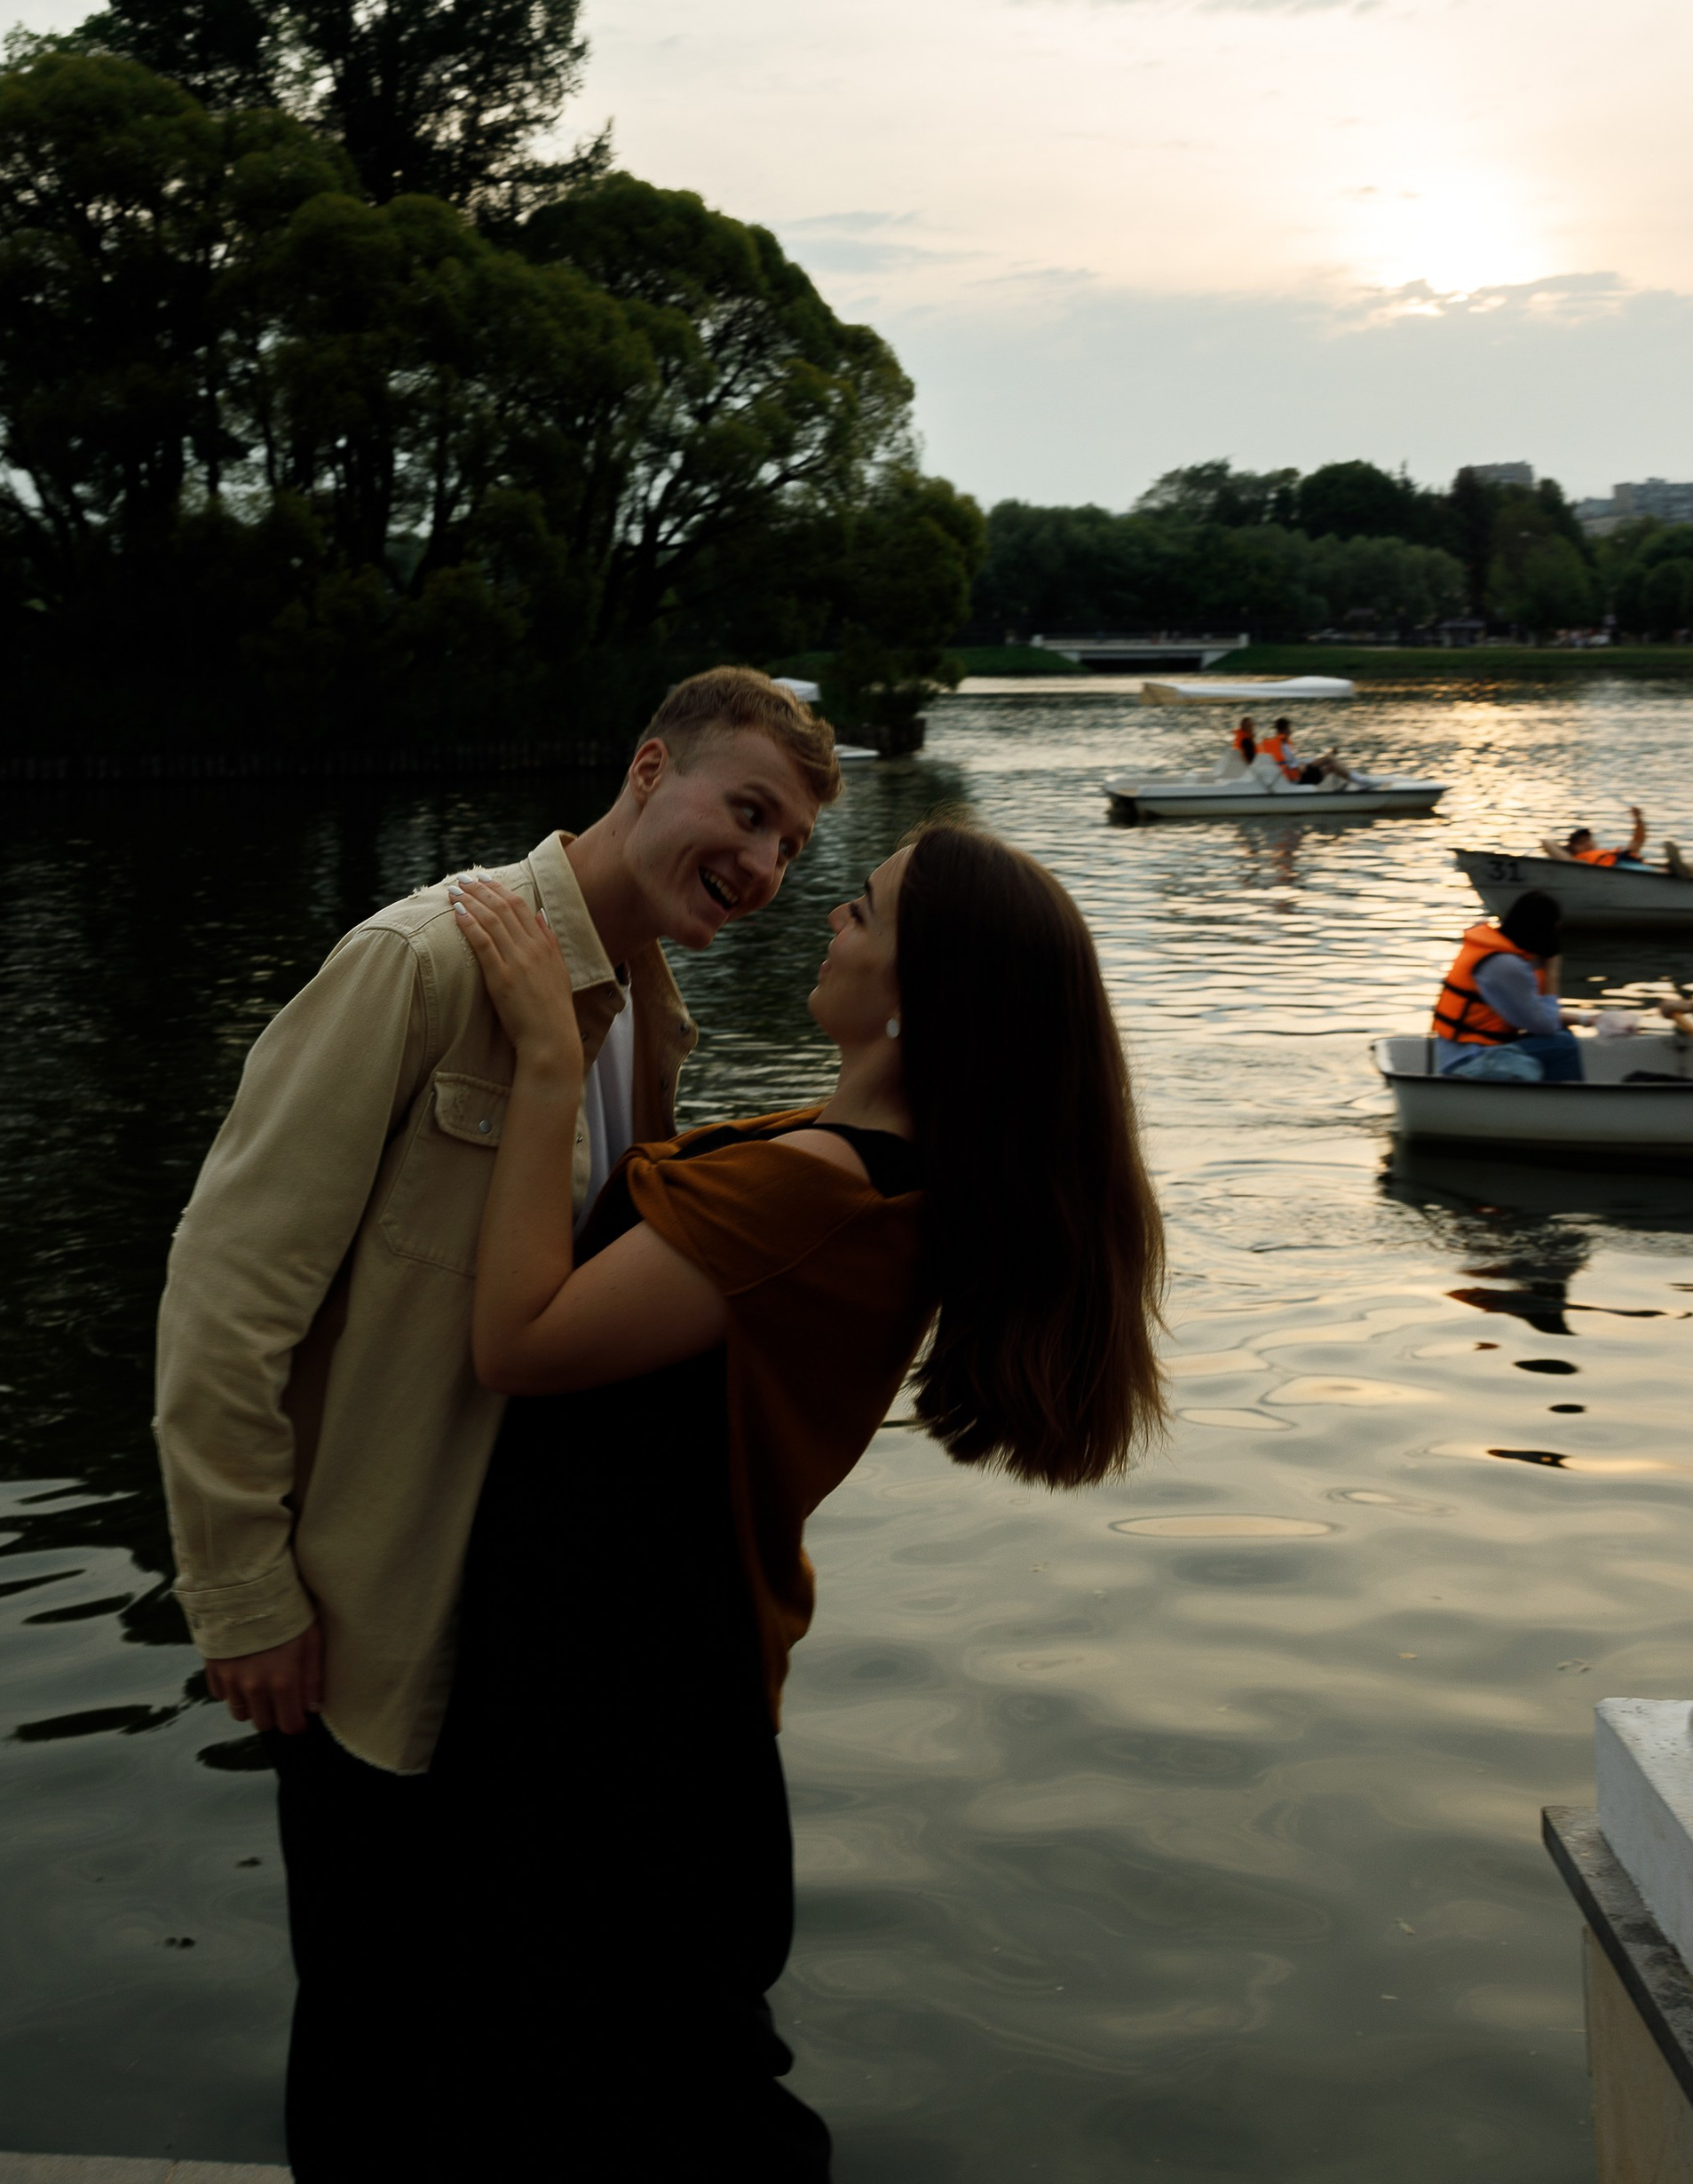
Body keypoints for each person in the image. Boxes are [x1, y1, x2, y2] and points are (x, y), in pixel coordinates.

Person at [154, 666, 842, 2184]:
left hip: (527, 1643)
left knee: (488, 2047)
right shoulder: (425, 962)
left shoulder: (647, 1020)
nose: (764, 866)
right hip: (369, 1612)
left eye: (791, 847)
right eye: (746, 811)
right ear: (648, 767)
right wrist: (243, 1592)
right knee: (368, 2039)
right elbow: (226, 1290)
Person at [435, 817, 1169, 2183]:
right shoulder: (844, 1167)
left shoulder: (822, 1196)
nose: (829, 919)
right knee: (643, 2093)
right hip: (656, 1688)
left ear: (912, 996)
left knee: (677, 2117)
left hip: (629, 1713)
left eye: (863, 911)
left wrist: (549, 1060)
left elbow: (523, 1344)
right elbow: (665, 1245)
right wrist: (639, 1015)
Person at [1430, 891, 1584, 1081]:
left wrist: (1589, 1020)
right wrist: (1553, 972)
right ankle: (1569, 1106)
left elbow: (1539, 1018)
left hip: (1468, 1052)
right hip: (1469, 1062)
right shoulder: (1506, 965)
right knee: (1564, 1044)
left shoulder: (1498, 954)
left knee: (1562, 1035)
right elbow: (1547, 1025)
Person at [1545, 809, 1650, 868]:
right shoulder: (1577, 863)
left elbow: (1638, 841)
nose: (1587, 843)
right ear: (1572, 849)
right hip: (1621, 870)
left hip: (1627, 865)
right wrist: (1565, 850)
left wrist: (1638, 819)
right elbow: (1547, 842)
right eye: (1581, 842)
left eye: (1588, 839)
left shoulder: (1610, 854)